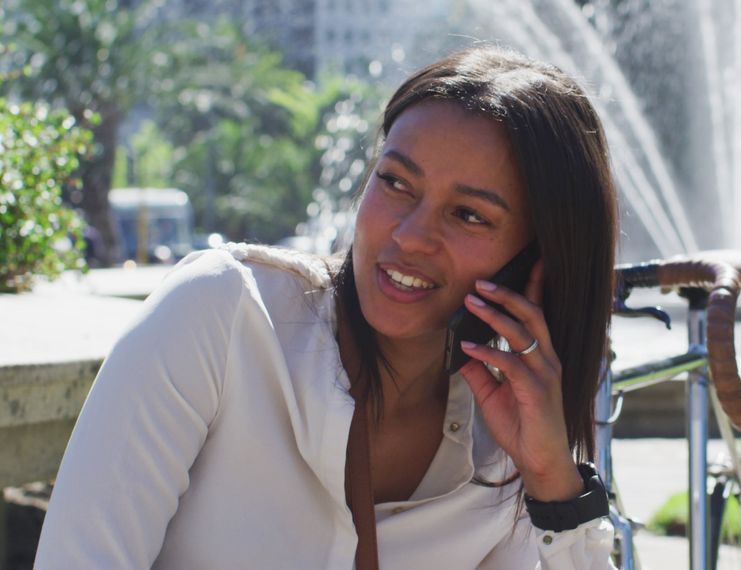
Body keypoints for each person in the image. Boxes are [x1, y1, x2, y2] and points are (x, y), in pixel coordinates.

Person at [36, 46, 619, 569]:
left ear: (538, 259)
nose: (412, 236)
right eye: (394, 182)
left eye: (469, 215)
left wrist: (553, 486)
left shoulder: (509, 448)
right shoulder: (224, 317)